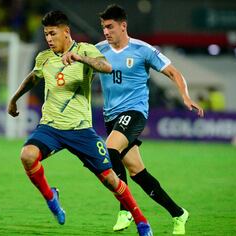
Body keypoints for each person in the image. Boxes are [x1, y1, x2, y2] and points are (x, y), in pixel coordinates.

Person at [7, 10, 153, 236]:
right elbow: (34, 77)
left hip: (81, 130)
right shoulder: (44, 57)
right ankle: (51, 198)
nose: (48, 39)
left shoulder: (86, 50)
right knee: (27, 155)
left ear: (66, 32)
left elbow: (106, 67)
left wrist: (80, 58)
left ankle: (141, 221)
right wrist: (14, 99)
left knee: (111, 180)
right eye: (46, 34)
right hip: (51, 127)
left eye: (52, 33)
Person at [95, 4, 204, 235]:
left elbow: (173, 72)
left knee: (110, 148)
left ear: (123, 26)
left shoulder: (143, 50)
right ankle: (179, 213)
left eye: (110, 27)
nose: (106, 31)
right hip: (111, 117)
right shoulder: (98, 50)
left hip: (135, 113)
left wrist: (185, 95)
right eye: (103, 27)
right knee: (138, 174)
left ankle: (124, 209)